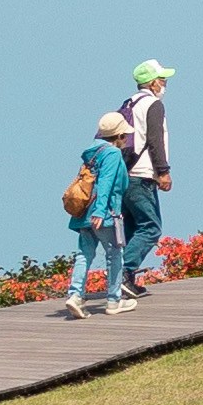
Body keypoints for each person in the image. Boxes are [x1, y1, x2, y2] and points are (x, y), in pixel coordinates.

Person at [65, 111, 137, 320]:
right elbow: (106, 182)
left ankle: (75, 295)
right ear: (119, 136)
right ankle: (114, 300)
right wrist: (100, 211)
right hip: (105, 213)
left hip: (83, 214)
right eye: (124, 135)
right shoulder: (113, 154)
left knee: (83, 254)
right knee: (114, 254)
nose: (126, 139)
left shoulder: (92, 153)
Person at [118, 62, 175, 287]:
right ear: (152, 83)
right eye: (162, 80)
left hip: (125, 173)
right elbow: (155, 140)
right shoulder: (153, 105)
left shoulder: (129, 103)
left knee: (133, 228)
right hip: (142, 174)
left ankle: (125, 280)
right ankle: (124, 273)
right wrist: (163, 171)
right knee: (151, 227)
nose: (165, 85)